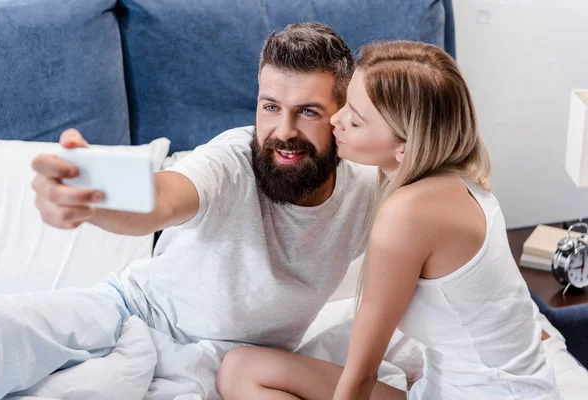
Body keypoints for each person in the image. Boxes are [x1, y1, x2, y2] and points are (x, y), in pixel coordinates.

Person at [0, 23, 379, 399]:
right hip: (128, 313)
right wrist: (93, 195)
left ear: (342, 117)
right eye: (271, 106)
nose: (284, 130)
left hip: (230, 366)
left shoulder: (367, 192)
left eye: (308, 112)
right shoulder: (230, 161)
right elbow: (162, 199)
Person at [216, 41, 562, 400]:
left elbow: (360, 378)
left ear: (404, 146)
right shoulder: (460, 179)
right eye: (346, 104)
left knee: (242, 374)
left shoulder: (407, 214)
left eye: (355, 118)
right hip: (492, 388)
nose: (336, 119)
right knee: (241, 367)